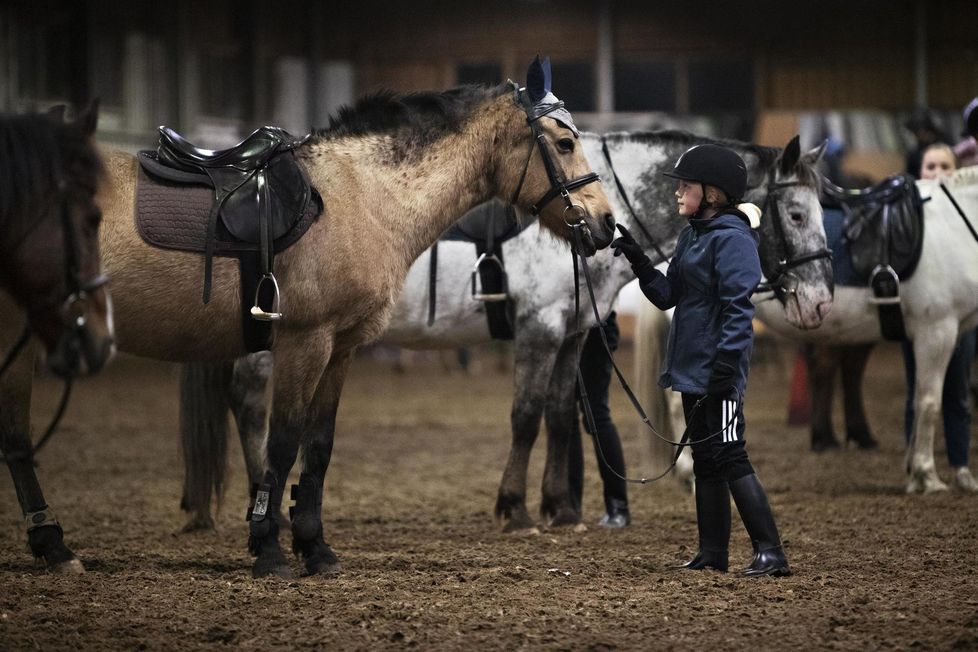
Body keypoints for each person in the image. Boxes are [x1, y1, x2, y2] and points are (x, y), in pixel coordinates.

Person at [611, 143, 790, 577]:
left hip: (719, 373)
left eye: (685, 186)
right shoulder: (692, 234)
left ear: (712, 193)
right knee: (706, 459)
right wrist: (638, 258)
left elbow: (737, 309)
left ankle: (771, 552)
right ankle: (713, 553)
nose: (677, 193)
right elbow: (668, 295)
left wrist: (726, 369)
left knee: (730, 455)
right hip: (693, 370)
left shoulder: (732, 240)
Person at [901, 142, 978, 492]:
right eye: (930, 167)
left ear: (957, 172)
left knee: (957, 391)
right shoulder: (914, 218)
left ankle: (960, 465)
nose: (936, 174)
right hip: (921, 318)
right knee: (916, 392)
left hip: (957, 319)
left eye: (944, 167)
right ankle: (914, 462)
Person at [568, 310, 630, 528]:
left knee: (596, 414)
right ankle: (570, 506)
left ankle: (618, 506)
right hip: (565, 329)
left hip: (595, 328)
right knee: (565, 417)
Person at [905, 108, 950, 179]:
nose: (916, 136)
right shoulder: (914, 154)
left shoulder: (946, 145)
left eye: (917, 132)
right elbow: (911, 176)